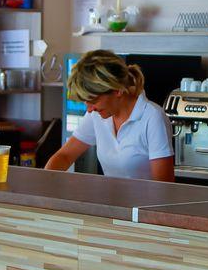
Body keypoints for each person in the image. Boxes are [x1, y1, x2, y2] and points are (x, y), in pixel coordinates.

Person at [45, 50, 175, 181]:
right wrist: (44, 182)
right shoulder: (96, 115)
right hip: (110, 195)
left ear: (118, 90)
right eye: (86, 102)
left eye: (93, 100)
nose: (89, 110)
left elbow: (163, 187)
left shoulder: (153, 118)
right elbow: (65, 156)